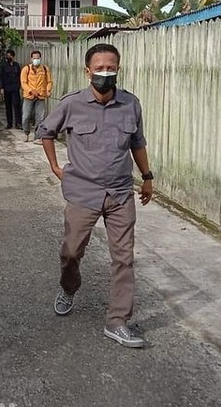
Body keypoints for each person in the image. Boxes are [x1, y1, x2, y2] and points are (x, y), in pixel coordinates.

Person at [38, 43, 153, 348]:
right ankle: (69, 288)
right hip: (82, 192)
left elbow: (137, 142)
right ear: (87, 71)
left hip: (119, 193)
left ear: (119, 69)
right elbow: (46, 131)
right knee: (71, 252)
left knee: (124, 258)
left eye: (111, 68)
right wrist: (55, 166)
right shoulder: (72, 103)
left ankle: (117, 321)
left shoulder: (131, 104)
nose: (105, 73)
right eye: (99, 68)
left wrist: (147, 177)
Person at [21, 50, 53, 144]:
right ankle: (26, 133)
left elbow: (49, 81)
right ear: (31, 59)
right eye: (34, 58)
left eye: (38, 58)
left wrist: (48, 90)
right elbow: (23, 83)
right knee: (26, 116)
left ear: (40, 58)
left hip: (41, 96)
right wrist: (31, 90)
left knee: (40, 118)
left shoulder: (45, 69)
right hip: (29, 96)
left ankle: (38, 137)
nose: (36, 60)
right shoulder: (26, 69)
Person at [0, 49, 22, 129]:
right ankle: (9, 123)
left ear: (13, 56)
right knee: (8, 107)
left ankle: (18, 123)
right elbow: (0, 77)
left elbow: (19, 76)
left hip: (15, 88)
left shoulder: (16, 65)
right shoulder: (3, 65)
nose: (8, 57)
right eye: (7, 55)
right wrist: (1, 88)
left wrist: (20, 86)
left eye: (10, 55)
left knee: (17, 106)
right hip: (7, 88)